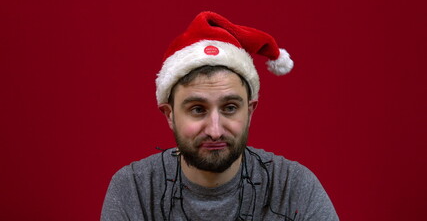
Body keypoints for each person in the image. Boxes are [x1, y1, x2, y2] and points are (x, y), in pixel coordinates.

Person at [101, 11, 339, 221]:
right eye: (197, 109)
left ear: (250, 111)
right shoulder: (134, 189)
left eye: (230, 108)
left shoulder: (292, 188)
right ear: (170, 114)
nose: (215, 130)